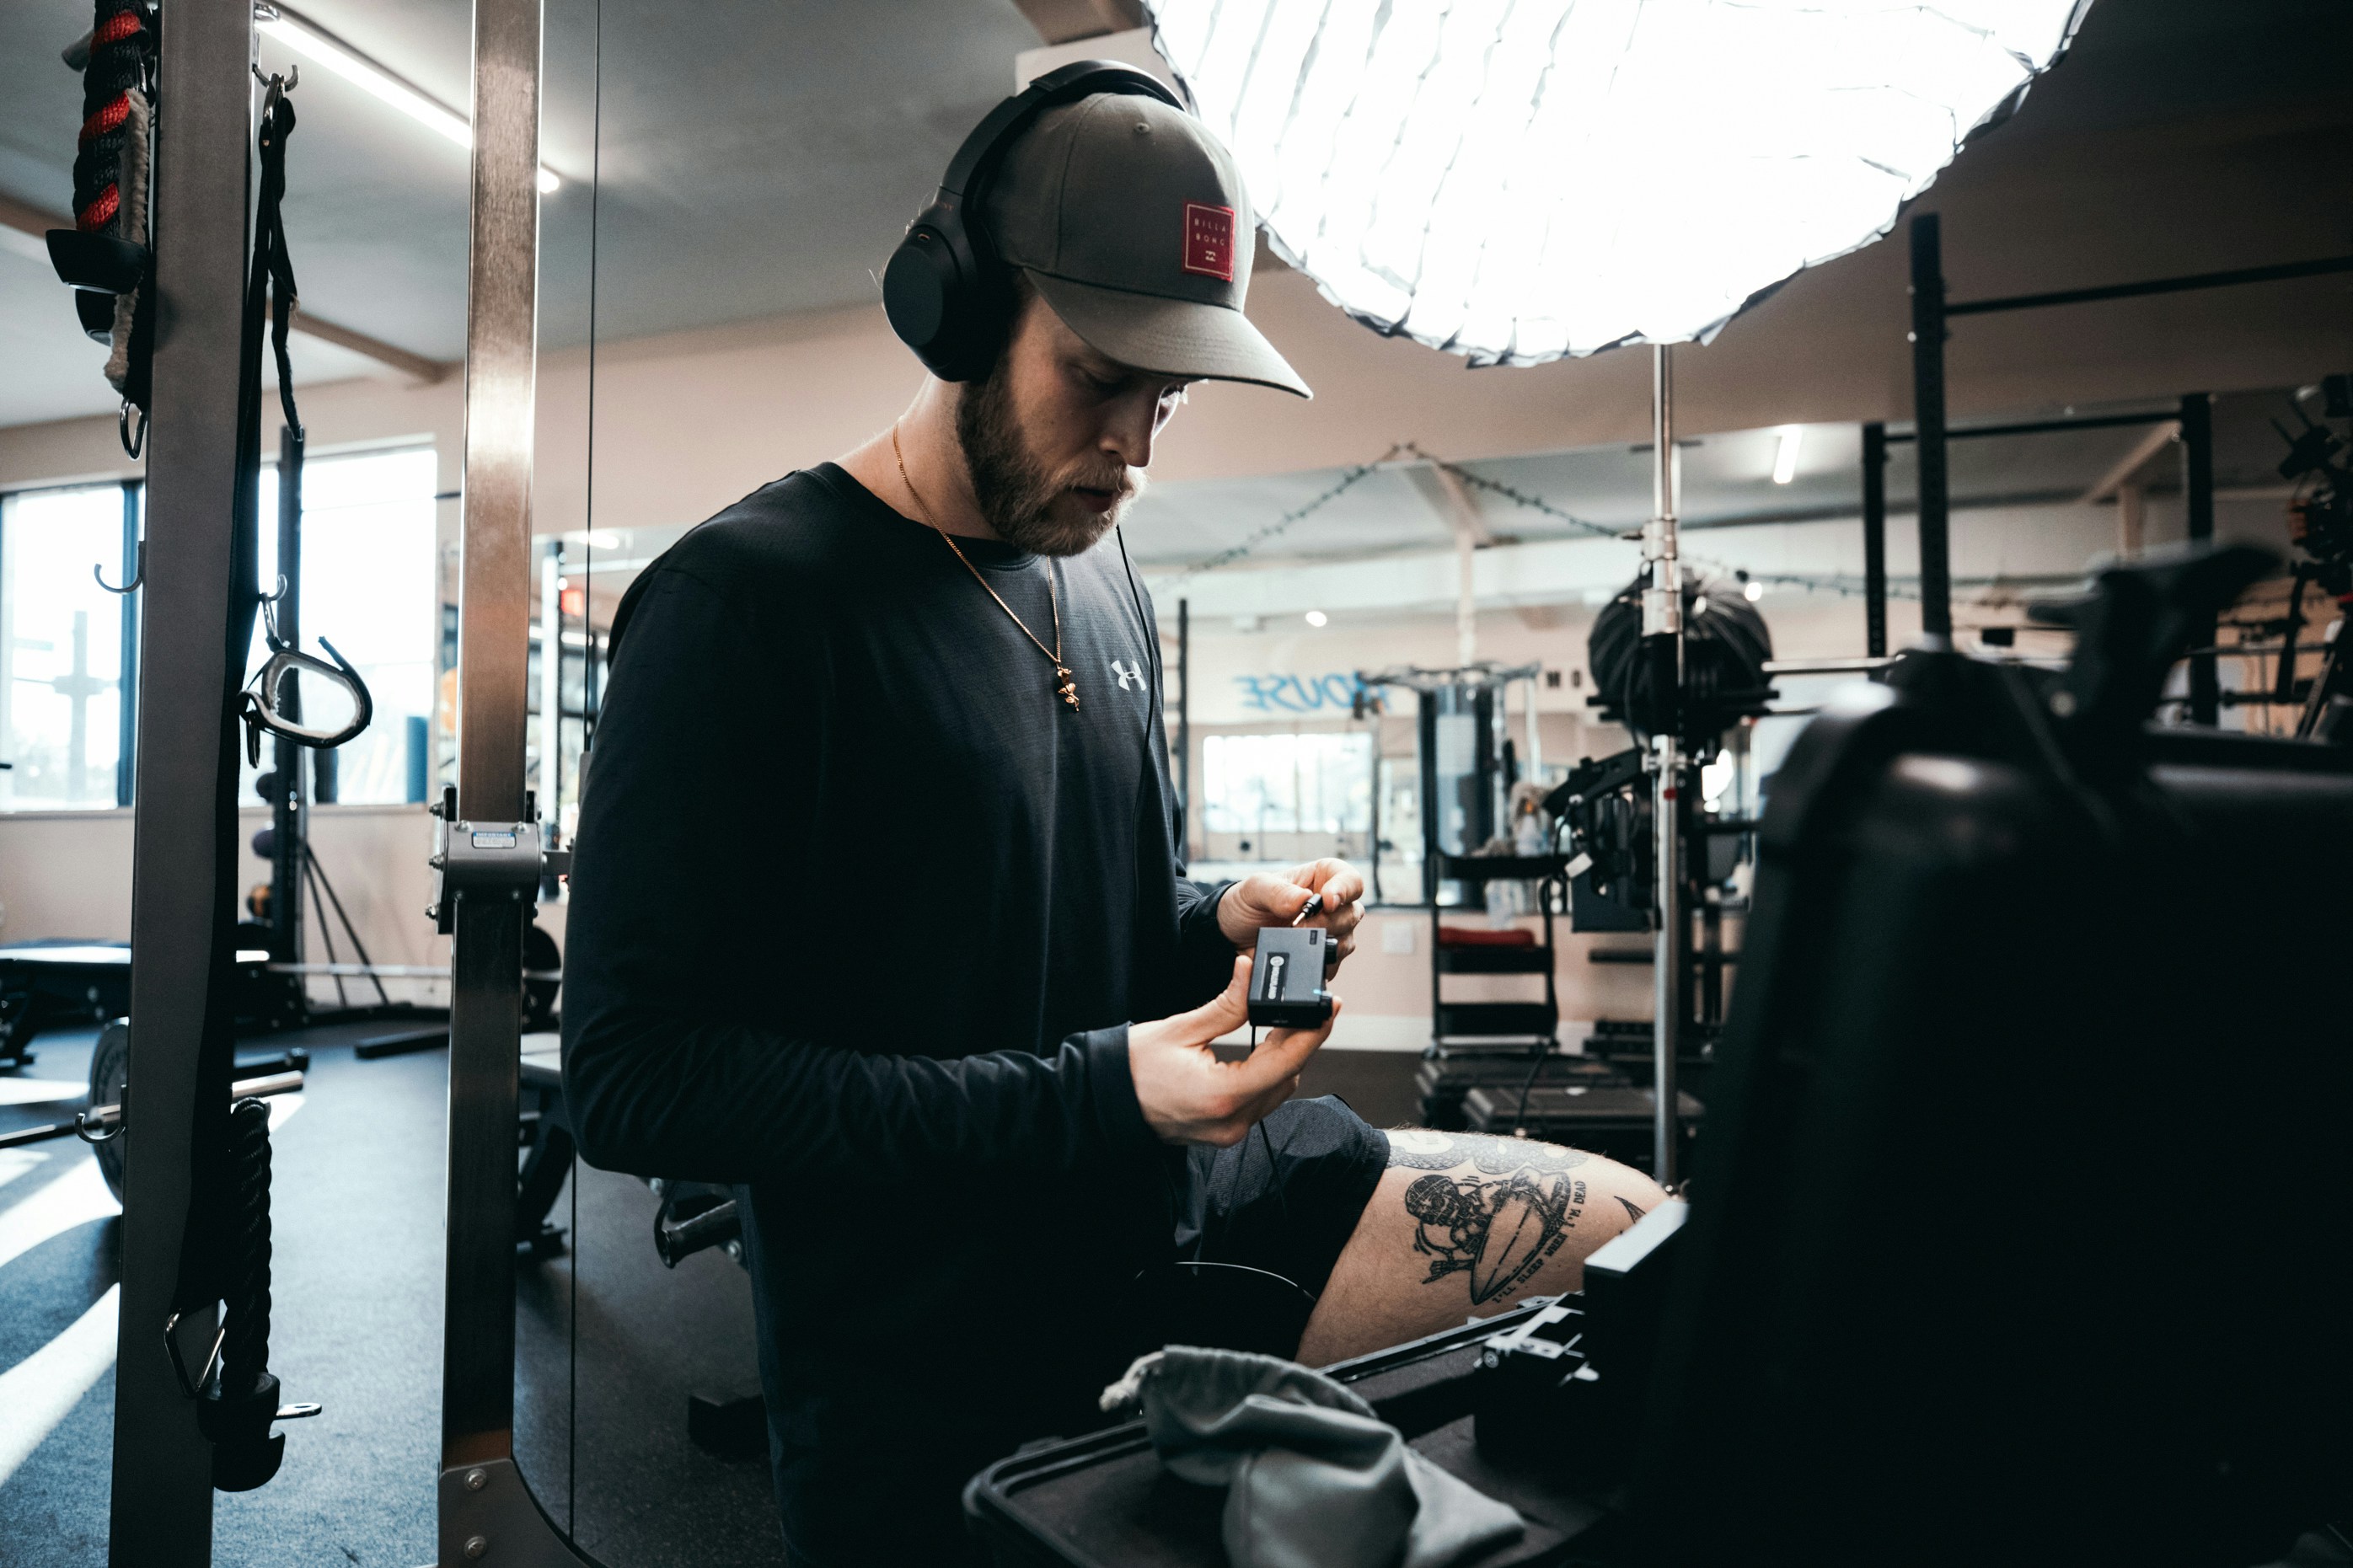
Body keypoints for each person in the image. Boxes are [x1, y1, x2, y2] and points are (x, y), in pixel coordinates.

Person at [560, 70, 1663, 1566]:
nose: (1139, 447)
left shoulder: (1100, 577)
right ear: (957, 309)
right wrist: (1094, 1093)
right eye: (1102, 378)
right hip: (950, 1338)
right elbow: (635, 1079)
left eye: (1172, 396)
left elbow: (1060, 903)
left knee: (1634, 1236)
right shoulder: (742, 606)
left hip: (1180, 1201)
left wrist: (1213, 914)